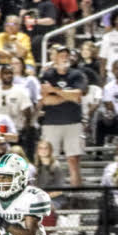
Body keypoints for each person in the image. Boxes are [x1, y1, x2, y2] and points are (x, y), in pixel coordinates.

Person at [39, 46, 87, 187]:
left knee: (73, 161)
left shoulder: (77, 75)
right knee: (48, 160)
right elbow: (45, 99)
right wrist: (68, 96)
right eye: (61, 55)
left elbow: (78, 95)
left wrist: (54, 90)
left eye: (67, 54)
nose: (64, 57)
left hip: (73, 122)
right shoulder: (47, 75)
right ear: (54, 57)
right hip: (51, 123)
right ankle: (47, 196)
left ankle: (76, 198)